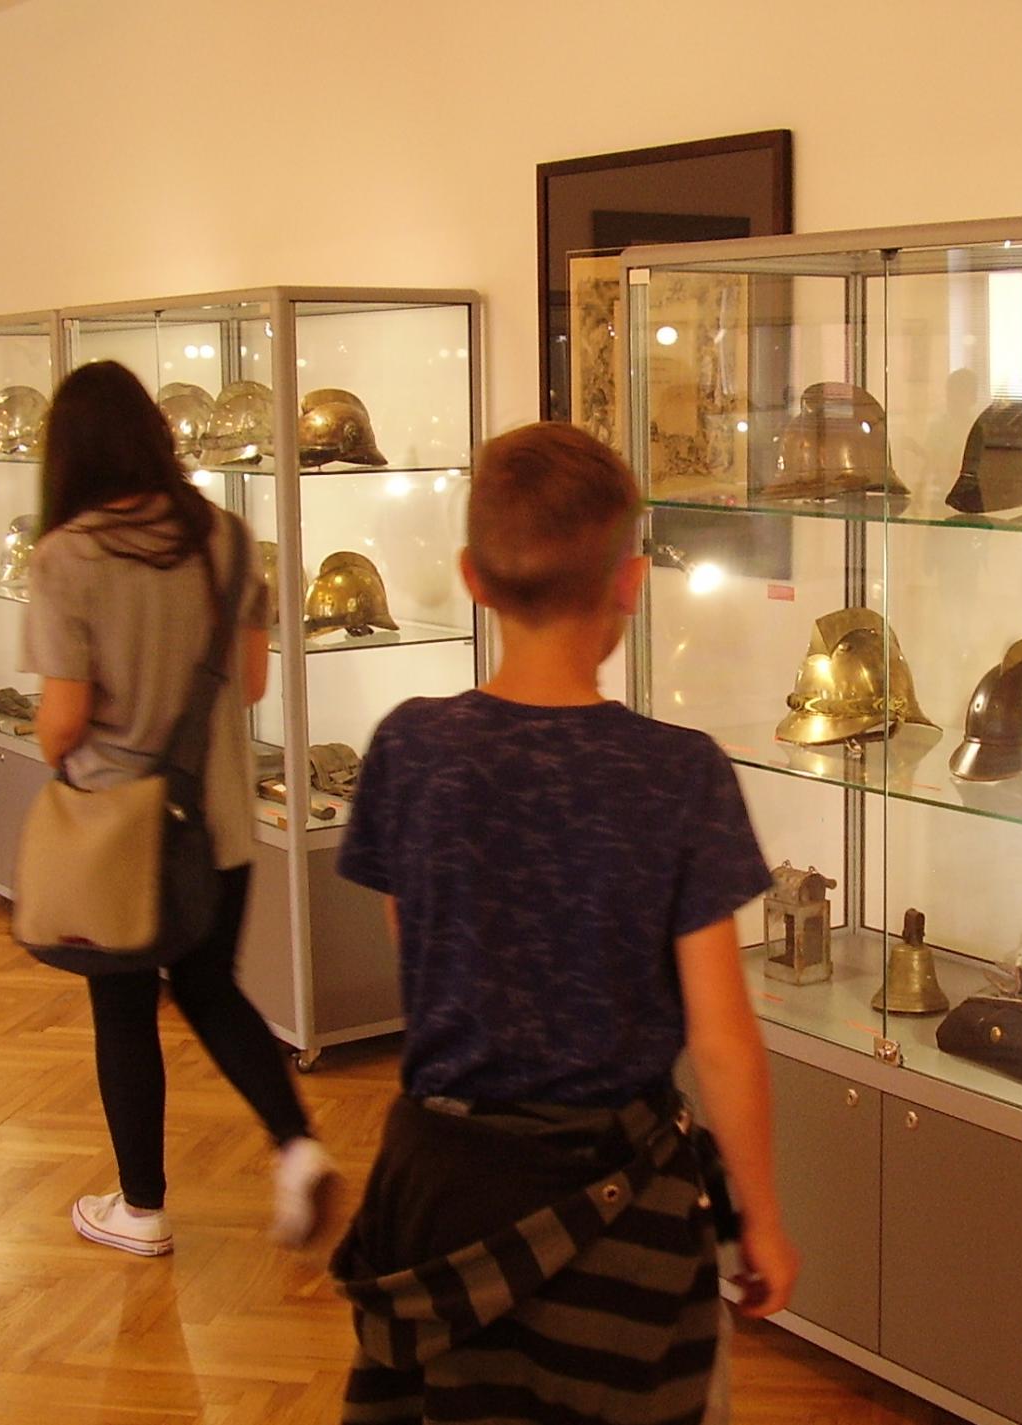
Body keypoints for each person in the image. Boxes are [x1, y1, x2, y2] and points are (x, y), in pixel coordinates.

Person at [329, 422, 797, 1424]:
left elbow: (419, 955)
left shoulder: (409, 747)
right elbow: (721, 1035)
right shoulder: (678, 772)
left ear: (472, 577)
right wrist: (760, 1216)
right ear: (629, 583)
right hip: (615, 1202)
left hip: (439, 1190)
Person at [21, 360, 333, 1257]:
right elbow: (253, 681)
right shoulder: (225, 537)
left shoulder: (66, 557)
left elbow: (63, 722)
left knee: (122, 1008)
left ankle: (142, 1207)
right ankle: (298, 1144)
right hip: (218, 817)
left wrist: (68, 740)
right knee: (207, 986)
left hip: (115, 832)